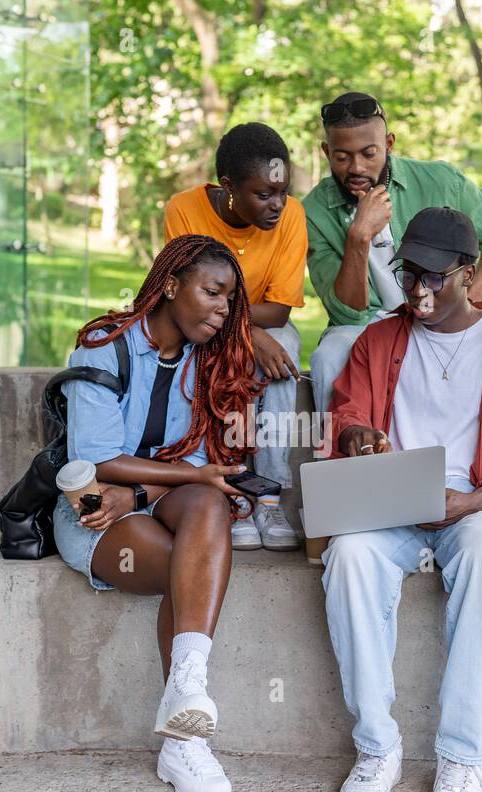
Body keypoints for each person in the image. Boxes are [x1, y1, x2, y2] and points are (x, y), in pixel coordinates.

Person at [320, 207, 482, 792]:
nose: (418, 290)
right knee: (348, 555)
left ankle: (462, 759)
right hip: (393, 499)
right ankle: (376, 748)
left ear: (470, 274)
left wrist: (470, 502)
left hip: (472, 503)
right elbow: (346, 417)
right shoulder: (379, 340)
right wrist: (356, 437)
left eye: (435, 278)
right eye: (410, 274)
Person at [54, 234, 263, 792]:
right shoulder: (105, 347)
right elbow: (95, 458)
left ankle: (185, 693)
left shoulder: (204, 361)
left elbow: (196, 462)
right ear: (170, 285)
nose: (223, 309)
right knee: (187, 568)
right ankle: (183, 738)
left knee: (211, 502)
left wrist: (148, 490)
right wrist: (182, 480)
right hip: (94, 514)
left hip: (152, 499)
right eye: (212, 293)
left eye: (229, 300)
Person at [304, 92, 482, 422]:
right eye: (342, 157)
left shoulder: (441, 182)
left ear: (389, 143)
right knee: (329, 357)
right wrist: (359, 236)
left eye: (369, 153)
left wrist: (462, 303)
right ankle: (334, 467)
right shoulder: (313, 212)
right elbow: (347, 311)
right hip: (363, 325)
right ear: (326, 152)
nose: (357, 167)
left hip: (435, 316)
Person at [165, 122, 306, 551]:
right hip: (199, 326)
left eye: (282, 192)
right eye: (263, 195)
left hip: (256, 321)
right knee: (230, 345)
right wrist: (248, 332)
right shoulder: (184, 210)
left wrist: (245, 329)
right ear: (229, 186)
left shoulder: (293, 216)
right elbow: (188, 303)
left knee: (287, 344)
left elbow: (279, 310)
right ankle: (232, 490)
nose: (278, 205)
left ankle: (268, 494)